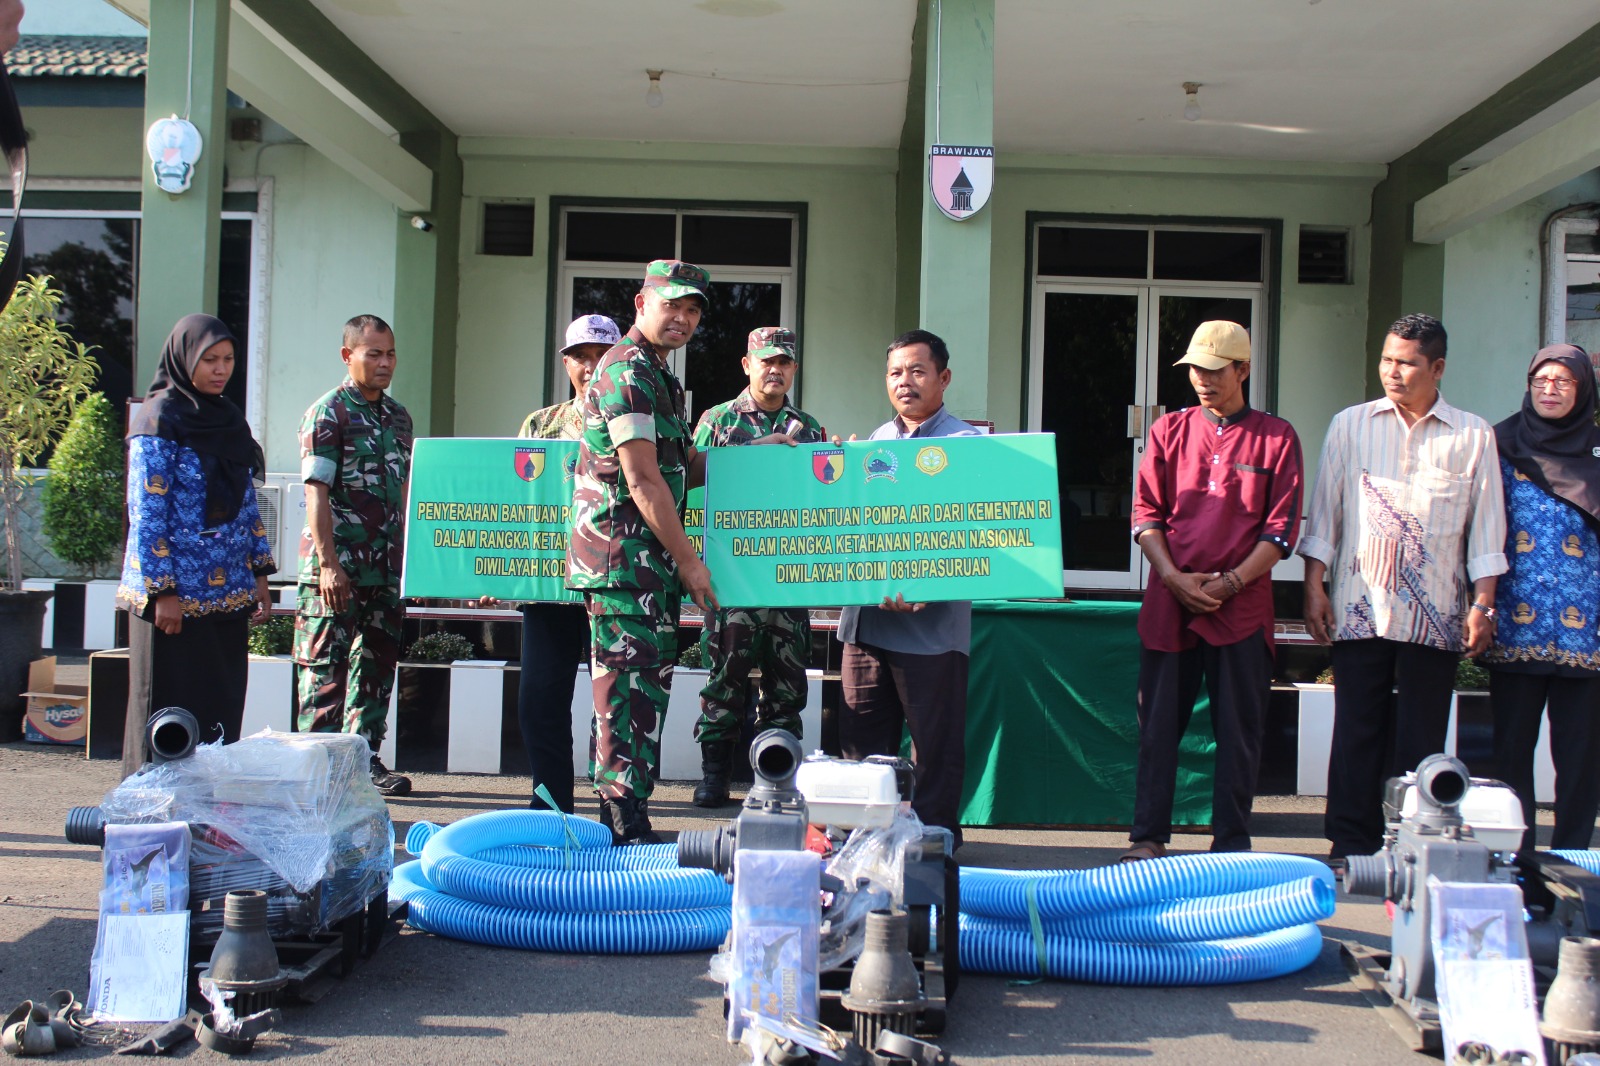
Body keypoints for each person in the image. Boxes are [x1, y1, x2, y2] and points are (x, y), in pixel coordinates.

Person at [1299, 313, 1507, 864]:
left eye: (1407, 362)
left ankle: (1411, 844)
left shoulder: (1472, 435)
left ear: (1437, 368)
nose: (1393, 371)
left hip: (1437, 611)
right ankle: (1349, 843)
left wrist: (1482, 604)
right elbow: (1326, 515)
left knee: (1421, 738)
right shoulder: (1350, 424)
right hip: (1359, 604)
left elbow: (1486, 528)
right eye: (1387, 359)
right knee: (1356, 730)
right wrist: (1314, 587)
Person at [1122, 321, 1303, 861]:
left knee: (1238, 730)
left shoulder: (1277, 436)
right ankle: (1148, 836)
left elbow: (1281, 530)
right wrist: (1174, 577)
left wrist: (1229, 582)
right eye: (1195, 369)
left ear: (1243, 370)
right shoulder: (1168, 431)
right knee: (1156, 727)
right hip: (1169, 599)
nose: (1202, 379)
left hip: (1242, 604)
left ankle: (1231, 841)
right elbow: (1145, 514)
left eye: (1215, 369)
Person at [566, 260, 720, 844]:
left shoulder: (656, 373)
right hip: (625, 559)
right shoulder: (628, 370)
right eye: (671, 304)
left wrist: (763, 451)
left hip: (642, 563)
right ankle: (624, 820)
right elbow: (643, 480)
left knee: (634, 684)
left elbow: (679, 466)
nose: (682, 317)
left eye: (693, 309)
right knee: (628, 688)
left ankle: (617, 814)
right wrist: (689, 559)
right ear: (641, 303)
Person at [837, 329, 980, 841]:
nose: (906, 382)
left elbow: (978, 530)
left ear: (943, 378)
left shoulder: (969, 446)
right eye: (896, 373)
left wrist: (933, 583)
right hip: (868, 622)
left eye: (918, 371)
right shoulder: (871, 444)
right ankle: (864, 843)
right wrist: (832, 480)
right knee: (861, 743)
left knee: (934, 747)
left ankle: (935, 845)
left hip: (932, 628)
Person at [117, 314, 274, 778]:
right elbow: (146, 514)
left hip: (226, 595)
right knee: (166, 708)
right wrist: (163, 590)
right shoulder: (158, 418)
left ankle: (210, 812)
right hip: (173, 601)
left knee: (219, 704)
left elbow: (247, 503)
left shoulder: (227, 420)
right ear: (185, 359)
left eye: (227, 360)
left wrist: (260, 575)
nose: (220, 369)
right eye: (209, 359)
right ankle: (148, 816)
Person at [690, 327, 826, 807]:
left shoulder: (809, 429)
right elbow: (688, 484)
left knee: (787, 685)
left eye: (784, 363)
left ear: (793, 368)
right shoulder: (718, 420)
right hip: (734, 582)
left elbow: (822, 500)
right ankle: (713, 777)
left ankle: (777, 779)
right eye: (766, 361)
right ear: (747, 365)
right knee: (725, 678)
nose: (775, 370)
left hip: (787, 582)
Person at [1483, 343, 1600, 853]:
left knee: (1580, 759)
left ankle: (1575, 859)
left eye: (1563, 382)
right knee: (1511, 754)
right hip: (1515, 626)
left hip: (1588, 633)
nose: (1549, 390)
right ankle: (1518, 862)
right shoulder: (1500, 445)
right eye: (1540, 381)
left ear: (1583, 390)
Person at [294, 314, 414, 796]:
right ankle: (317, 777)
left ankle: (364, 761)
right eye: (373, 354)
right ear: (349, 356)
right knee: (326, 672)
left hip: (383, 571)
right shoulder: (328, 413)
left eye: (390, 354)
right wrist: (328, 565)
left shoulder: (399, 417)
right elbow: (316, 493)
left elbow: (404, 491)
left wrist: (411, 561)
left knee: (376, 671)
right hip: (337, 569)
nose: (384, 363)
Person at [509, 313, 621, 813]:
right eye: (580, 356)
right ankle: (551, 806)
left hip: (612, 581)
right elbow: (519, 504)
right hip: (551, 586)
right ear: (567, 363)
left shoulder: (637, 418)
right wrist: (499, 573)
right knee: (539, 700)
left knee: (614, 708)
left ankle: (615, 808)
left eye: (601, 356)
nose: (589, 366)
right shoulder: (541, 424)